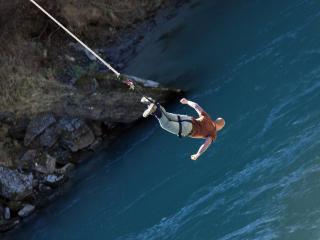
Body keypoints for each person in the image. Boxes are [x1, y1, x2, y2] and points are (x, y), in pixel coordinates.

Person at [141, 97, 225, 160]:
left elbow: (196, 106)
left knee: (166, 115)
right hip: (188, 129)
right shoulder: (213, 133)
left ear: (216, 121)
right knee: (166, 124)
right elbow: (206, 143)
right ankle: (155, 111)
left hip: (188, 119)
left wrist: (187, 101)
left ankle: (151, 101)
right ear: (219, 128)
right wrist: (198, 154)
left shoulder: (208, 118)